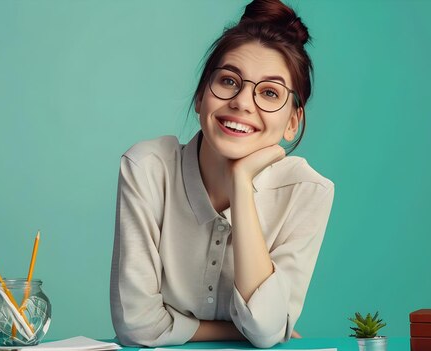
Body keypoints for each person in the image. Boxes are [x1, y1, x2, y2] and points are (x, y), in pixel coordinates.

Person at [109, 0, 334, 348]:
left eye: (270, 92)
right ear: (201, 96)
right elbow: (136, 326)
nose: (243, 102)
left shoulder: (307, 192)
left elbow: (264, 330)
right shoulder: (148, 169)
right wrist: (235, 331)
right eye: (229, 81)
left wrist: (241, 187)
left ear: (293, 121)